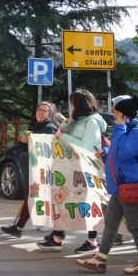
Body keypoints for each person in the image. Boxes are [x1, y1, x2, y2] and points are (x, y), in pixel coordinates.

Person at [76, 95, 138, 275]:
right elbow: (118, 149)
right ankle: (100, 258)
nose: (114, 116)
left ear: (125, 114)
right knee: (111, 222)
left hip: (131, 185)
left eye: (116, 113)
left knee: (135, 224)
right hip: (122, 185)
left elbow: (123, 153)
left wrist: (119, 128)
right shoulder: (129, 128)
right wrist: (105, 151)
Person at [37, 90, 106, 253]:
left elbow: (86, 145)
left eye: (73, 102)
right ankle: (57, 238)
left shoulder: (92, 122)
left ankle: (92, 241)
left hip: (87, 169)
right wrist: (68, 122)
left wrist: (64, 138)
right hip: (72, 167)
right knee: (62, 199)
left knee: (89, 204)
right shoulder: (78, 120)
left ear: (80, 104)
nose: (71, 105)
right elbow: (63, 131)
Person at [0, 102, 59, 238]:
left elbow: (49, 150)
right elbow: (24, 149)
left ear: (50, 114)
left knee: (39, 199)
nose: (40, 112)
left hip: (45, 172)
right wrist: (23, 140)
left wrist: (31, 140)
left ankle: (57, 232)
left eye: (44, 111)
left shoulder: (50, 129)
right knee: (30, 198)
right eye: (39, 109)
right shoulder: (37, 127)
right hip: (36, 171)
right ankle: (19, 227)